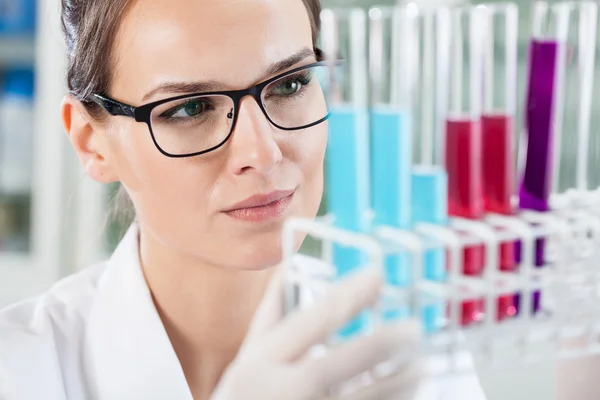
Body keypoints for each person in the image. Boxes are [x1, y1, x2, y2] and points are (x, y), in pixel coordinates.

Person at [0, 0, 488, 399]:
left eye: (291, 83)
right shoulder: (20, 371)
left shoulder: (404, 342)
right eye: (190, 108)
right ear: (92, 142)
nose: (263, 151)